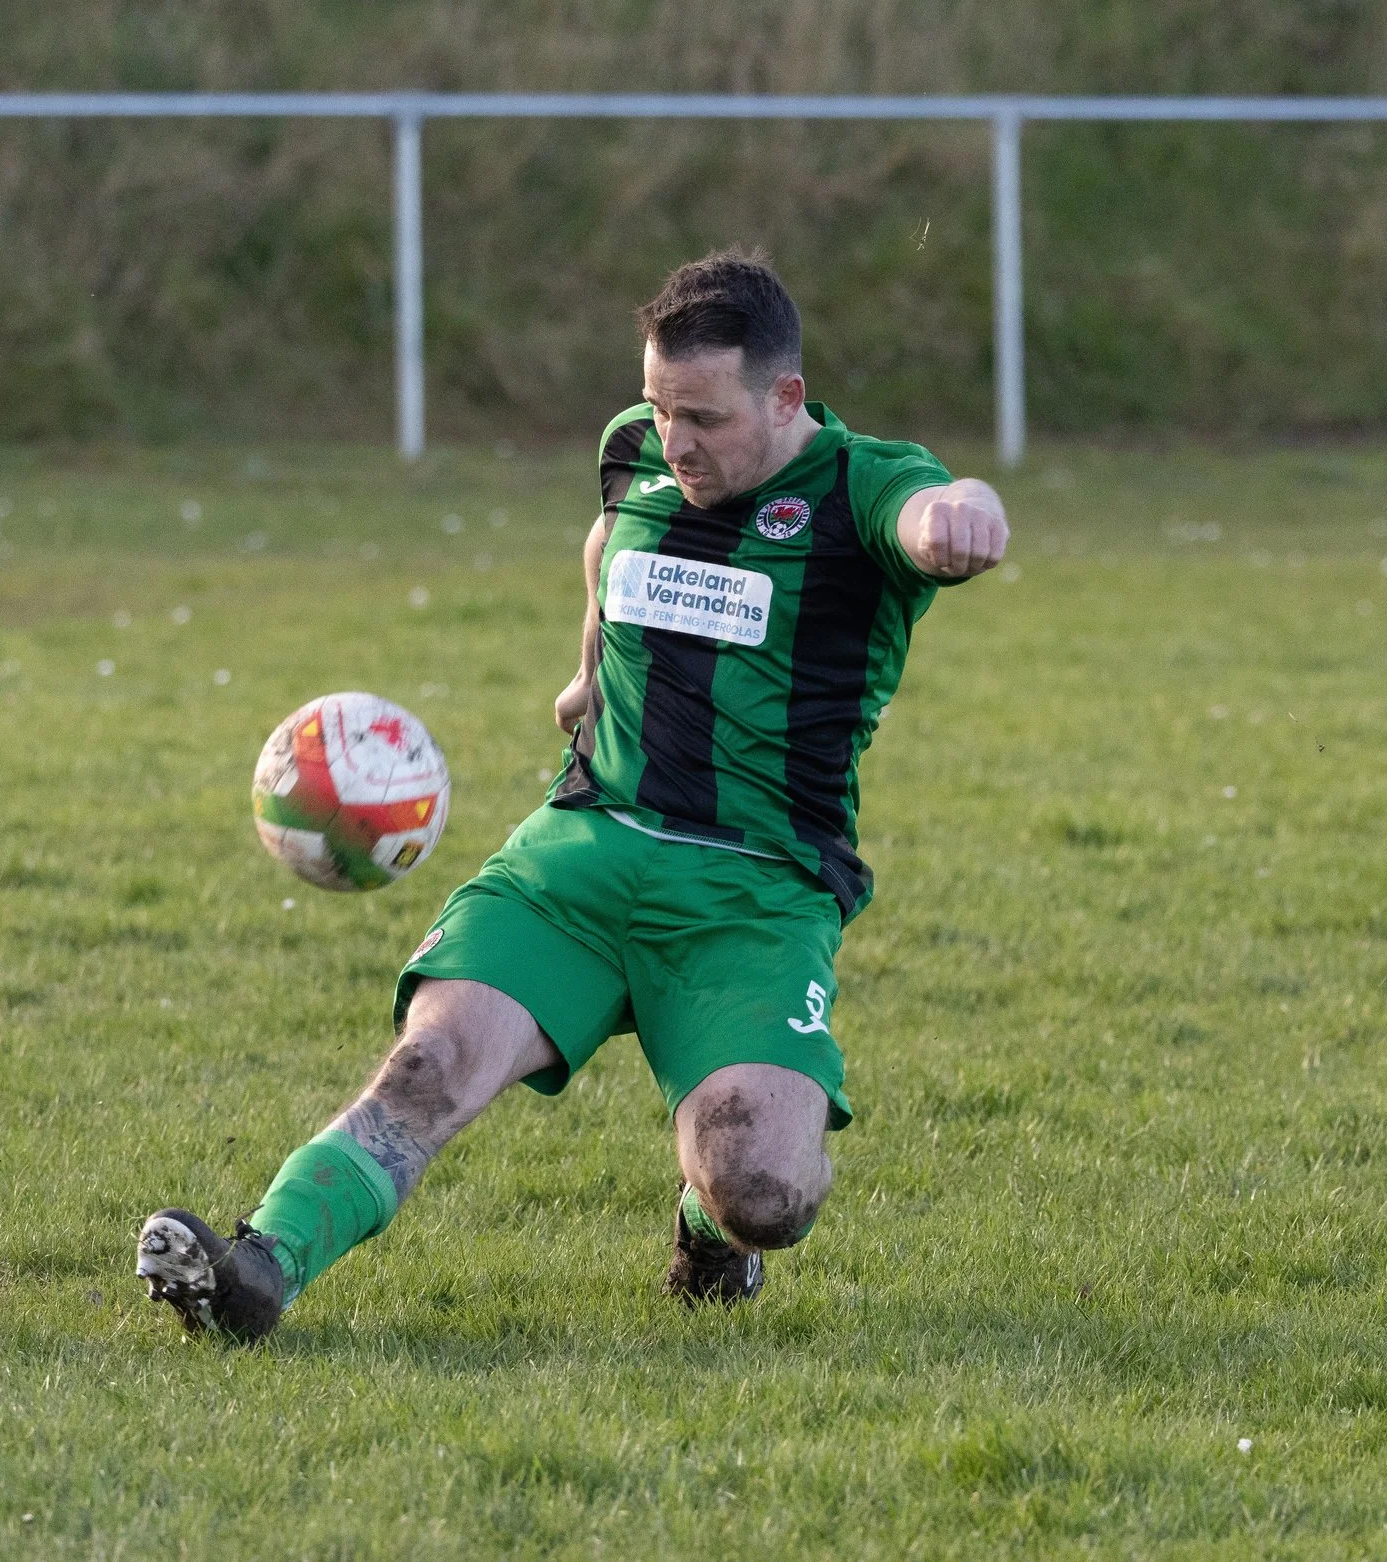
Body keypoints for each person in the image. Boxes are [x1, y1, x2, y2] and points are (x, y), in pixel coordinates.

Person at [135, 249, 1008, 1340]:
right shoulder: (635, 451)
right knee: (428, 1068)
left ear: (785, 397)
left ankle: (708, 1227)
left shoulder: (858, 485)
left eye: (703, 416)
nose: (674, 440)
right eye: (657, 405)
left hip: (756, 890)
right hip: (583, 855)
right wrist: (587, 672)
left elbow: (936, 507)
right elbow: (609, 540)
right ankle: (256, 1268)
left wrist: (963, 517)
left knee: (766, 1193)